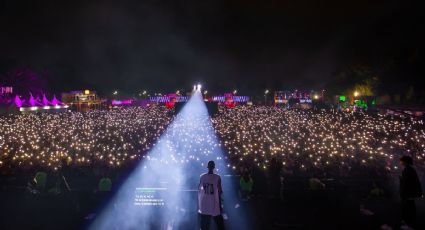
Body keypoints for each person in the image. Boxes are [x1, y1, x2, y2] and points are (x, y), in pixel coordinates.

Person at [198, 160, 225, 230]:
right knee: (220, 224)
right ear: (214, 167)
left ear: (207, 167)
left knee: (204, 225)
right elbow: (220, 191)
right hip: (214, 204)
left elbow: (199, 189)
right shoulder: (217, 177)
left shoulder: (202, 176)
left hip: (204, 204)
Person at [399, 155, 423, 228]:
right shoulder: (410, 169)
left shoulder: (408, 170)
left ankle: (408, 222)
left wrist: (402, 190)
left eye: (401, 161)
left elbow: (407, 182)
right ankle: (409, 220)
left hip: (408, 192)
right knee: (410, 206)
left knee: (408, 206)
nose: (400, 162)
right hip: (410, 192)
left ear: (405, 162)